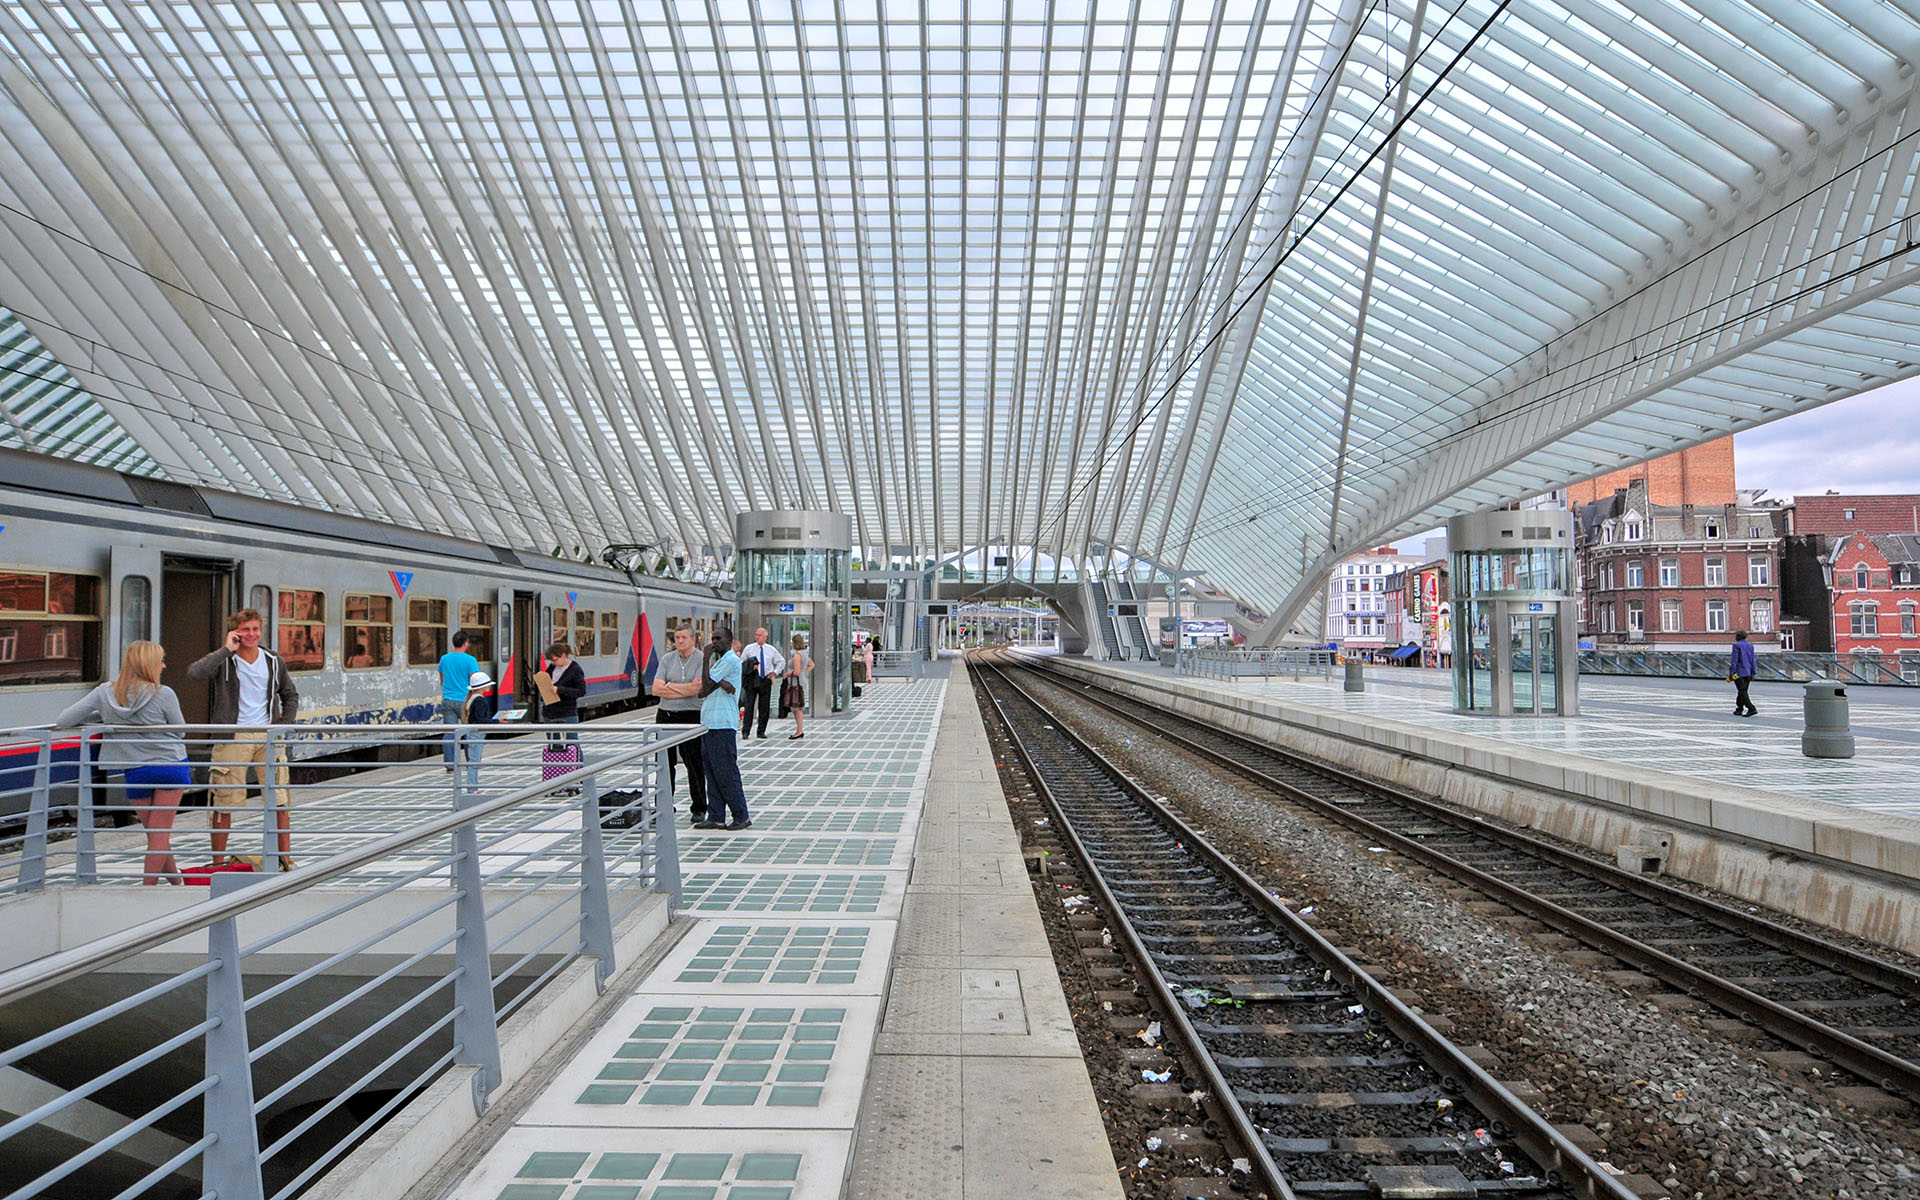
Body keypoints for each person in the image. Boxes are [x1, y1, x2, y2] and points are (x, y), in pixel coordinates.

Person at [58, 641, 190, 884]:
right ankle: (146, 890)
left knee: (155, 833)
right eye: (160, 661)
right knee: (159, 834)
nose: (164, 665)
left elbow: (64, 719)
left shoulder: (105, 693)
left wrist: (107, 716)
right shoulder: (164, 693)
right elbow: (180, 730)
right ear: (148, 664)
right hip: (170, 766)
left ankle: (177, 883)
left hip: (135, 770)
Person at [188, 608, 300, 871]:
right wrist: (226, 649)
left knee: (279, 800)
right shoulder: (224, 661)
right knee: (224, 802)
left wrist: (283, 726)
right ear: (235, 631)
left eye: (255, 629)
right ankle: (218, 863)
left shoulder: (273, 660)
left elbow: (290, 695)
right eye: (245, 629)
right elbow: (195, 673)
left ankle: (286, 859)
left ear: (261, 630)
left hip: (268, 736)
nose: (251, 634)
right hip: (233, 736)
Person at [651, 625, 708, 824]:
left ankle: (699, 807)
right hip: (666, 715)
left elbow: (697, 688)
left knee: (693, 763)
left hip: (691, 715)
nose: (680, 641)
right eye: (677, 637)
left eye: (684, 637)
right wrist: (683, 688)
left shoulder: (702, 659)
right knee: (664, 763)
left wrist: (670, 686)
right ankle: (664, 804)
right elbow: (656, 689)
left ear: (693, 639)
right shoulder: (667, 659)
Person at [696, 627, 750, 831]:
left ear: (729, 641)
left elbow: (706, 684)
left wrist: (704, 659)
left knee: (726, 772)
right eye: (712, 639)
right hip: (710, 723)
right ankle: (716, 815)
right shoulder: (720, 662)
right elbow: (702, 691)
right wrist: (720, 683)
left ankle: (740, 815)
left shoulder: (730, 660)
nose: (714, 642)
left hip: (722, 724)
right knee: (711, 772)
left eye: (718, 639)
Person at [438, 631, 481, 770]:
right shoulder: (470, 660)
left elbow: (442, 679)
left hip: (448, 700)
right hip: (464, 701)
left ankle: (450, 765)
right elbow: (474, 681)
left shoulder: (444, 659)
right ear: (465, 643)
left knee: (450, 733)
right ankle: (470, 763)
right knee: (469, 731)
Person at [739, 627, 785, 739]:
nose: (758, 637)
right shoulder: (749, 648)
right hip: (752, 678)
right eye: (756, 635)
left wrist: (775, 672)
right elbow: (741, 662)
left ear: (765, 637)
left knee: (764, 706)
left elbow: (781, 661)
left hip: (765, 679)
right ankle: (746, 731)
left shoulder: (770, 649)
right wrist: (750, 666)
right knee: (749, 705)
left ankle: (761, 731)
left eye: (760, 635)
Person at [458, 670, 495, 790]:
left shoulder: (472, 698)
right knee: (474, 763)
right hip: (476, 734)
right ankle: (472, 788)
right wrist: (497, 721)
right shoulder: (480, 700)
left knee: (474, 762)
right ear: (483, 687)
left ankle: (473, 787)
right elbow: (482, 720)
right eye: (488, 684)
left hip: (472, 734)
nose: (489, 686)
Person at [784, 634, 811, 740]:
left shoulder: (797, 655)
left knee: (797, 706)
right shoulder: (804, 654)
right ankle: (799, 730)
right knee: (798, 705)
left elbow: (796, 671)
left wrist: (787, 674)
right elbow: (811, 664)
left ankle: (799, 730)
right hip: (802, 680)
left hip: (796, 682)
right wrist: (804, 672)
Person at [1730, 629, 1758, 717]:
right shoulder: (1750, 646)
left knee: (1742, 691)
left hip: (1738, 672)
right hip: (1748, 672)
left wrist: (1731, 673)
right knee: (1743, 691)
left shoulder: (1736, 645)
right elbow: (1753, 659)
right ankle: (1739, 709)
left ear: (1738, 637)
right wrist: (1753, 672)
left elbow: (1735, 660)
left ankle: (1751, 708)